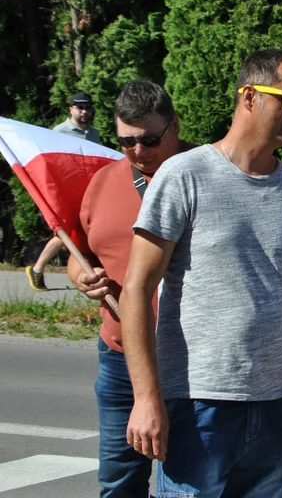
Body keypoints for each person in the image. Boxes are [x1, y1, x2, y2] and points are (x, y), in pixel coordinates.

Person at [121, 49, 282, 496]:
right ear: (249, 97)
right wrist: (146, 398)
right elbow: (137, 289)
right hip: (197, 406)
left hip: (278, 406)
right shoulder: (184, 175)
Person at [64, 80, 186, 498]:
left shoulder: (211, 171)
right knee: (118, 483)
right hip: (119, 357)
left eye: (150, 139)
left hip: (191, 359)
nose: (137, 151)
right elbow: (80, 253)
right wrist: (81, 277)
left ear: (175, 125)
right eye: (126, 141)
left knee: (194, 483)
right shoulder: (103, 182)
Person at [26, 92, 101, 291]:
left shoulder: (94, 134)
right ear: (71, 109)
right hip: (64, 193)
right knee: (66, 233)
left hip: (86, 193)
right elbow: (48, 165)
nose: (84, 111)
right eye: (80, 108)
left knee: (82, 233)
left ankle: (87, 273)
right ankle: (38, 269)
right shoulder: (58, 132)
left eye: (87, 108)